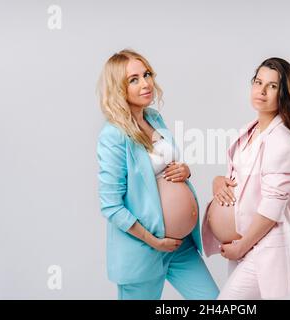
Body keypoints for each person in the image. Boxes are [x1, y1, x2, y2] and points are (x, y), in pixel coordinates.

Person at [96, 49, 219, 300]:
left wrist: (184, 169)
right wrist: (154, 242)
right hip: (145, 249)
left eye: (147, 74)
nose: (146, 83)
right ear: (119, 88)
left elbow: (161, 168)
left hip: (179, 246)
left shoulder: (153, 117)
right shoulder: (113, 135)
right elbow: (111, 206)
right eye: (134, 79)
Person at [202, 57, 290, 299]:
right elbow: (240, 183)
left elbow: (271, 210)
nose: (262, 91)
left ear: (284, 94)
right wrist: (218, 181)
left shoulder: (281, 142)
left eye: (272, 86)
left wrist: (242, 246)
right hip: (244, 244)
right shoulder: (251, 131)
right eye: (258, 82)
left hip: (264, 250)